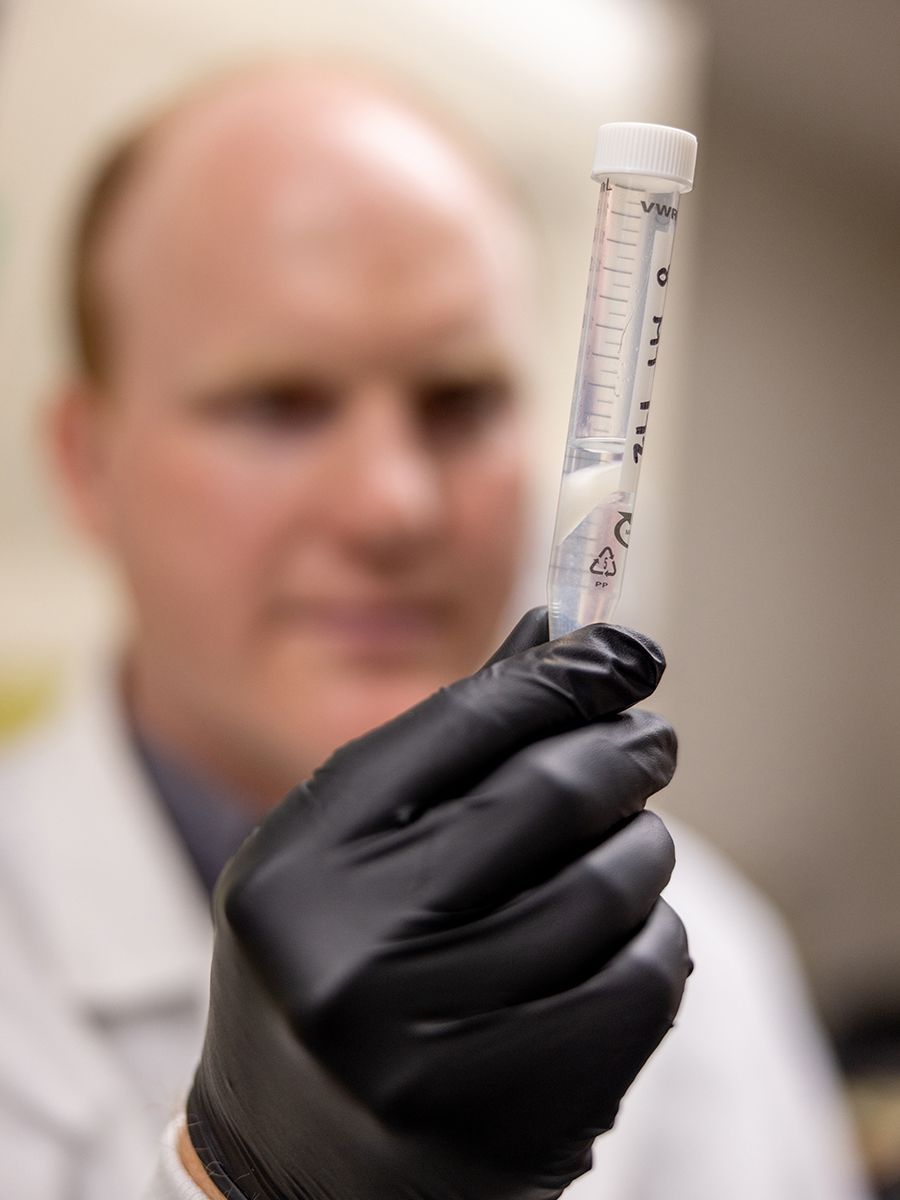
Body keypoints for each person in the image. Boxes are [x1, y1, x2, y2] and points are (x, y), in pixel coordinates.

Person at [0, 65, 868, 1198]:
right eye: (279, 402)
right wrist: (246, 1179)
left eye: (459, 400)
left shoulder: (707, 955)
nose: (392, 506)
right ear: (87, 463)